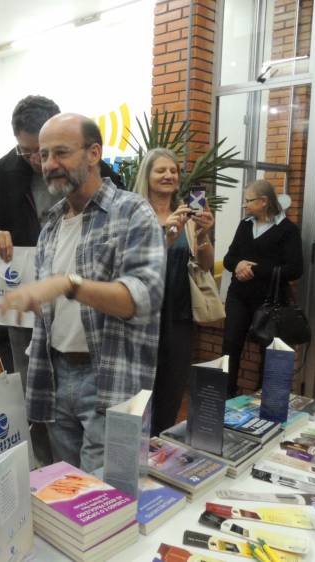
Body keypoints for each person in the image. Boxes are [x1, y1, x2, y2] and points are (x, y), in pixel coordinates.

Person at [1, 113, 165, 472]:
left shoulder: (131, 211)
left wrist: (68, 284)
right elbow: (57, 310)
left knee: (106, 493)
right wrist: (32, 301)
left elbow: (142, 298)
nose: (49, 164)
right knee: (67, 489)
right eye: (44, 155)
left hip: (108, 378)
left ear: (93, 153)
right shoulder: (52, 224)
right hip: (55, 376)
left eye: (61, 152)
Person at [133, 148, 214, 434]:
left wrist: (203, 234)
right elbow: (132, 263)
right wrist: (166, 234)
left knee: (171, 390)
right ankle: (134, 450)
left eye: (173, 171)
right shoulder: (134, 215)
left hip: (178, 315)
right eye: (161, 170)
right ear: (147, 175)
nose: (168, 175)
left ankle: (159, 448)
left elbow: (204, 265)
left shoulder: (187, 216)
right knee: (139, 393)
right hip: (142, 315)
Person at [222, 179, 303, 397]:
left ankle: (262, 400)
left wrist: (254, 269)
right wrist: (238, 265)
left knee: (268, 351)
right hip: (239, 296)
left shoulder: (287, 230)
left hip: (270, 301)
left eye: (248, 200)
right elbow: (229, 258)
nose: (244, 204)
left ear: (264, 201)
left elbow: (295, 269)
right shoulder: (245, 225)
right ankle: (226, 396)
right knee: (230, 345)